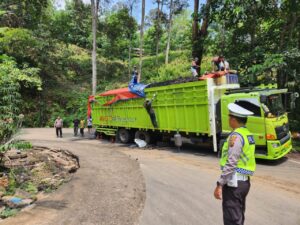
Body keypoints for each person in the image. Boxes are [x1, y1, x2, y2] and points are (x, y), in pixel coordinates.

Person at [214, 103, 256, 225]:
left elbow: (231, 163)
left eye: (229, 117)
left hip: (234, 184)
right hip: (244, 183)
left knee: (232, 219)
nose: (228, 120)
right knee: (238, 216)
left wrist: (220, 184)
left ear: (233, 119)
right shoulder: (247, 134)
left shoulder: (236, 136)